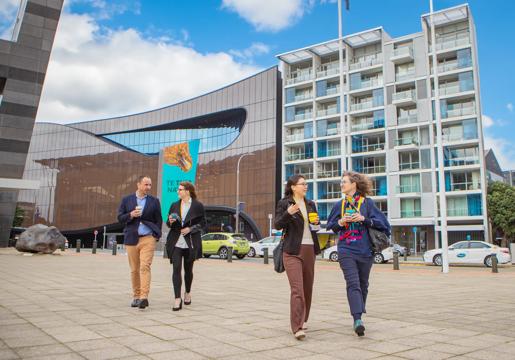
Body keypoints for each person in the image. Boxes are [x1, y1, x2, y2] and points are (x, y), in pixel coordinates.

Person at [326, 171, 390, 336]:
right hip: (346, 249)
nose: (341, 184)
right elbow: (330, 225)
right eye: (341, 182)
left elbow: (384, 224)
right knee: (353, 284)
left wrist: (363, 219)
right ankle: (357, 319)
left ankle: (358, 315)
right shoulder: (339, 204)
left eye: (344, 182)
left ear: (354, 184)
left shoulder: (367, 204)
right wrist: (341, 221)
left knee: (363, 285)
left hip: (365, 250)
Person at [274, 174, 320, 340]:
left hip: (310, 248)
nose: (305, 186)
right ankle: (297, 327)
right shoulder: (285, 203)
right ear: (293, 187)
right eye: (302, 184)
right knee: (297, 289)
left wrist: (317, 224)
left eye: (306, 184)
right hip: (292, 249)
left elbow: (315, 227)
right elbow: (278, 224)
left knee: (308, 288)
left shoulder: (310, 204)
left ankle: (304, 318)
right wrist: (288, 213)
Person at [117, 176, 162, 309]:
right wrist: (131, 215)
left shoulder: (154, 201)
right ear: (138, 184)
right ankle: (136, 296)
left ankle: (144, 297)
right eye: (146, 184)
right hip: (131, 238)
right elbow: (120, 217)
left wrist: (155, 235)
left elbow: (158, 220)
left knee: (145, 267)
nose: (148, 187)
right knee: (134, 269)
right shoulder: (126, 200)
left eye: (150, 185)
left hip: (148, 238)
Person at [165, 181, 206, 311]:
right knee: (176, 269)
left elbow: (203, 224)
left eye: (180, 189)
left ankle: (187, 292)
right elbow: (168, 222)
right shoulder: (174, 205)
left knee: (188, 271)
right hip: (176, 242)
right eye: (178, 189)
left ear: (188, 191)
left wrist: (190, 229)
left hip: (190, 243)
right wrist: (170, 221)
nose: (178, 191)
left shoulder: (197, 206)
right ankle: (177, 298)